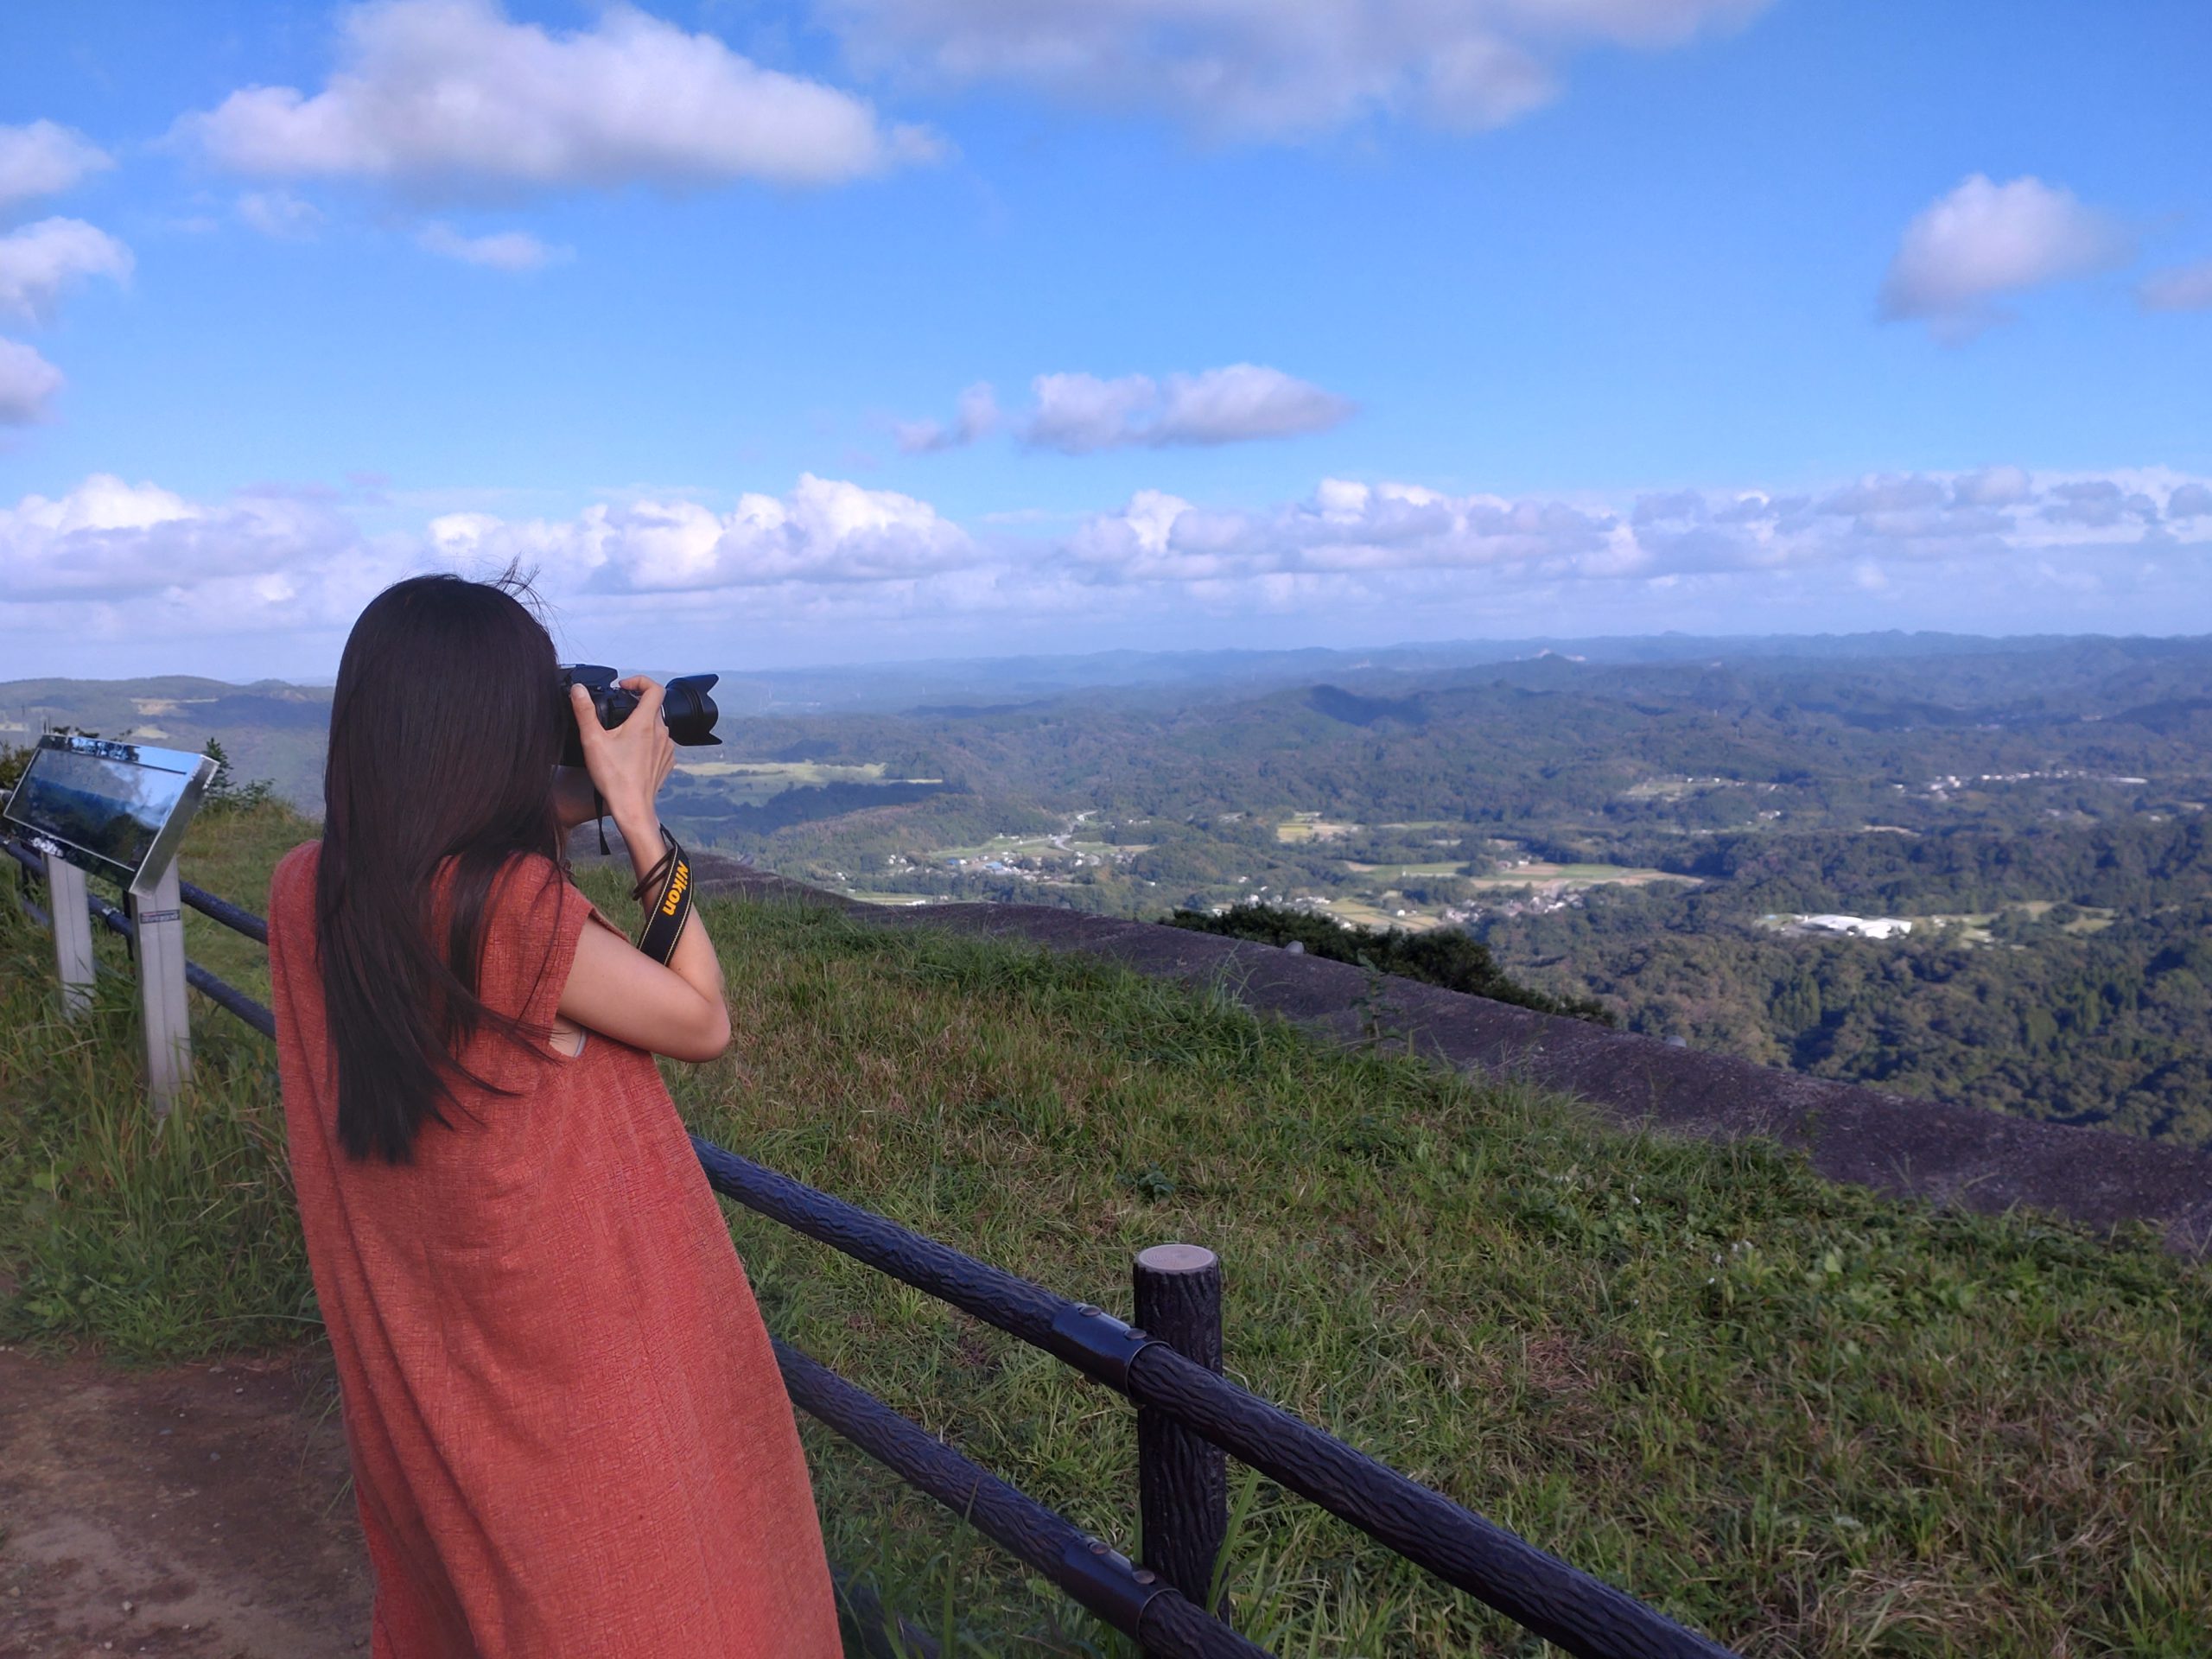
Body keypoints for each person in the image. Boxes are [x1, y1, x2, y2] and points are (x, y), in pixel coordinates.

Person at [266, 573, 842, 1658]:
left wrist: (562, 794)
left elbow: (438, 871)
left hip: (445, 1368)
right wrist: (637, 817)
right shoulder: (506, 912)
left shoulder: (310, 889)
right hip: (581, 1382)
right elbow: (702, 1018)